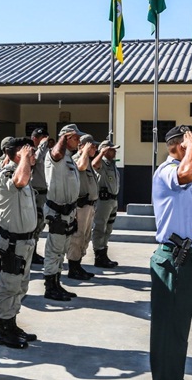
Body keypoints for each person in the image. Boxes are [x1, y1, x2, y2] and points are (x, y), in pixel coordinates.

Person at [150, 125, 192, 380]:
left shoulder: (191, 173)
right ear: (183, 144)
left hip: (190, 260)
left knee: (178, 329)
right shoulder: (168, 171)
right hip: (176, 260)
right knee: (170, 331)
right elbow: (187, 173)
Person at [0, 137, 38, 350]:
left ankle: (12, 323)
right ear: (17, 154)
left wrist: (26, 160)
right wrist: (25, 159)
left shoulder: (24, 172)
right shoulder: (9, 173)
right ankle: (4, 330)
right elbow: (19, 182)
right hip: (13, 242)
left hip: (26, 241)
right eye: (29, 151)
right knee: (9, 286)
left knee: (21, 286)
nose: (34, 154)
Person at [42, 124, 84, 301]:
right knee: (55, 250)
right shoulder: (56, 155)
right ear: (66, 138)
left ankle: (57, 283)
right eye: (75, 138)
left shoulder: (70, 158)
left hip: (69, 212)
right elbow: (56, 153)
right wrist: (63, 139)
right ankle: (50, 286)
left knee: (62, 250)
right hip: (57, 211)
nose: (78, 141)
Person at [66, 134, 99, 280]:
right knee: (77, 237)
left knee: (85, 237)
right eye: (91, 146)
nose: (94, 149)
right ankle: (73, 268)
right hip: (81, 206)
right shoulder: (77, 159)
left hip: (90, 206)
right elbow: (81, 166)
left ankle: (78, 265)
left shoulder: (89, 161)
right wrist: (84, 151)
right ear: (81, 146)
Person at [91, 140, 120, 269]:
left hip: (113, 201)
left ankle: (104, 253)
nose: (115, 152)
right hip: (103, 201)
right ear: (105, 151)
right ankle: (99, 255)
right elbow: (94, 164)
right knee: (100, 228)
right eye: (112, 149)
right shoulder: (101, 162)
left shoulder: (112, 164)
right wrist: (101, 153)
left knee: (108, 229)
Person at [29, 128, 50, 265]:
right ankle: (30, 253)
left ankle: (33, 252)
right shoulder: (31, 151)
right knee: (34, 225)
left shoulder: (46, 152)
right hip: (35, 193)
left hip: (45, 193)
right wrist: (42, 145)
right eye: (40, 138)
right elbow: (35, 160)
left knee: (40, 225)